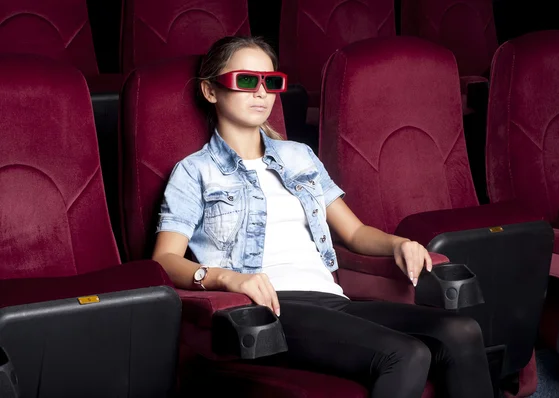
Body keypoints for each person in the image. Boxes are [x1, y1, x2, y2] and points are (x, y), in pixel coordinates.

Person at [152, 36, 494, 398]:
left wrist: (400, 244)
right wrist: (227, 279)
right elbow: (164, 259)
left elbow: (355, 232)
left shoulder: (298, 156)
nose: (261, 92)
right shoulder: (194, 172)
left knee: (462, 331)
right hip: (271, 309)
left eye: (271, 82)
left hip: (330, 298)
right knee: (406, 354)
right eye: (247, 80)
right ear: (210, 91)